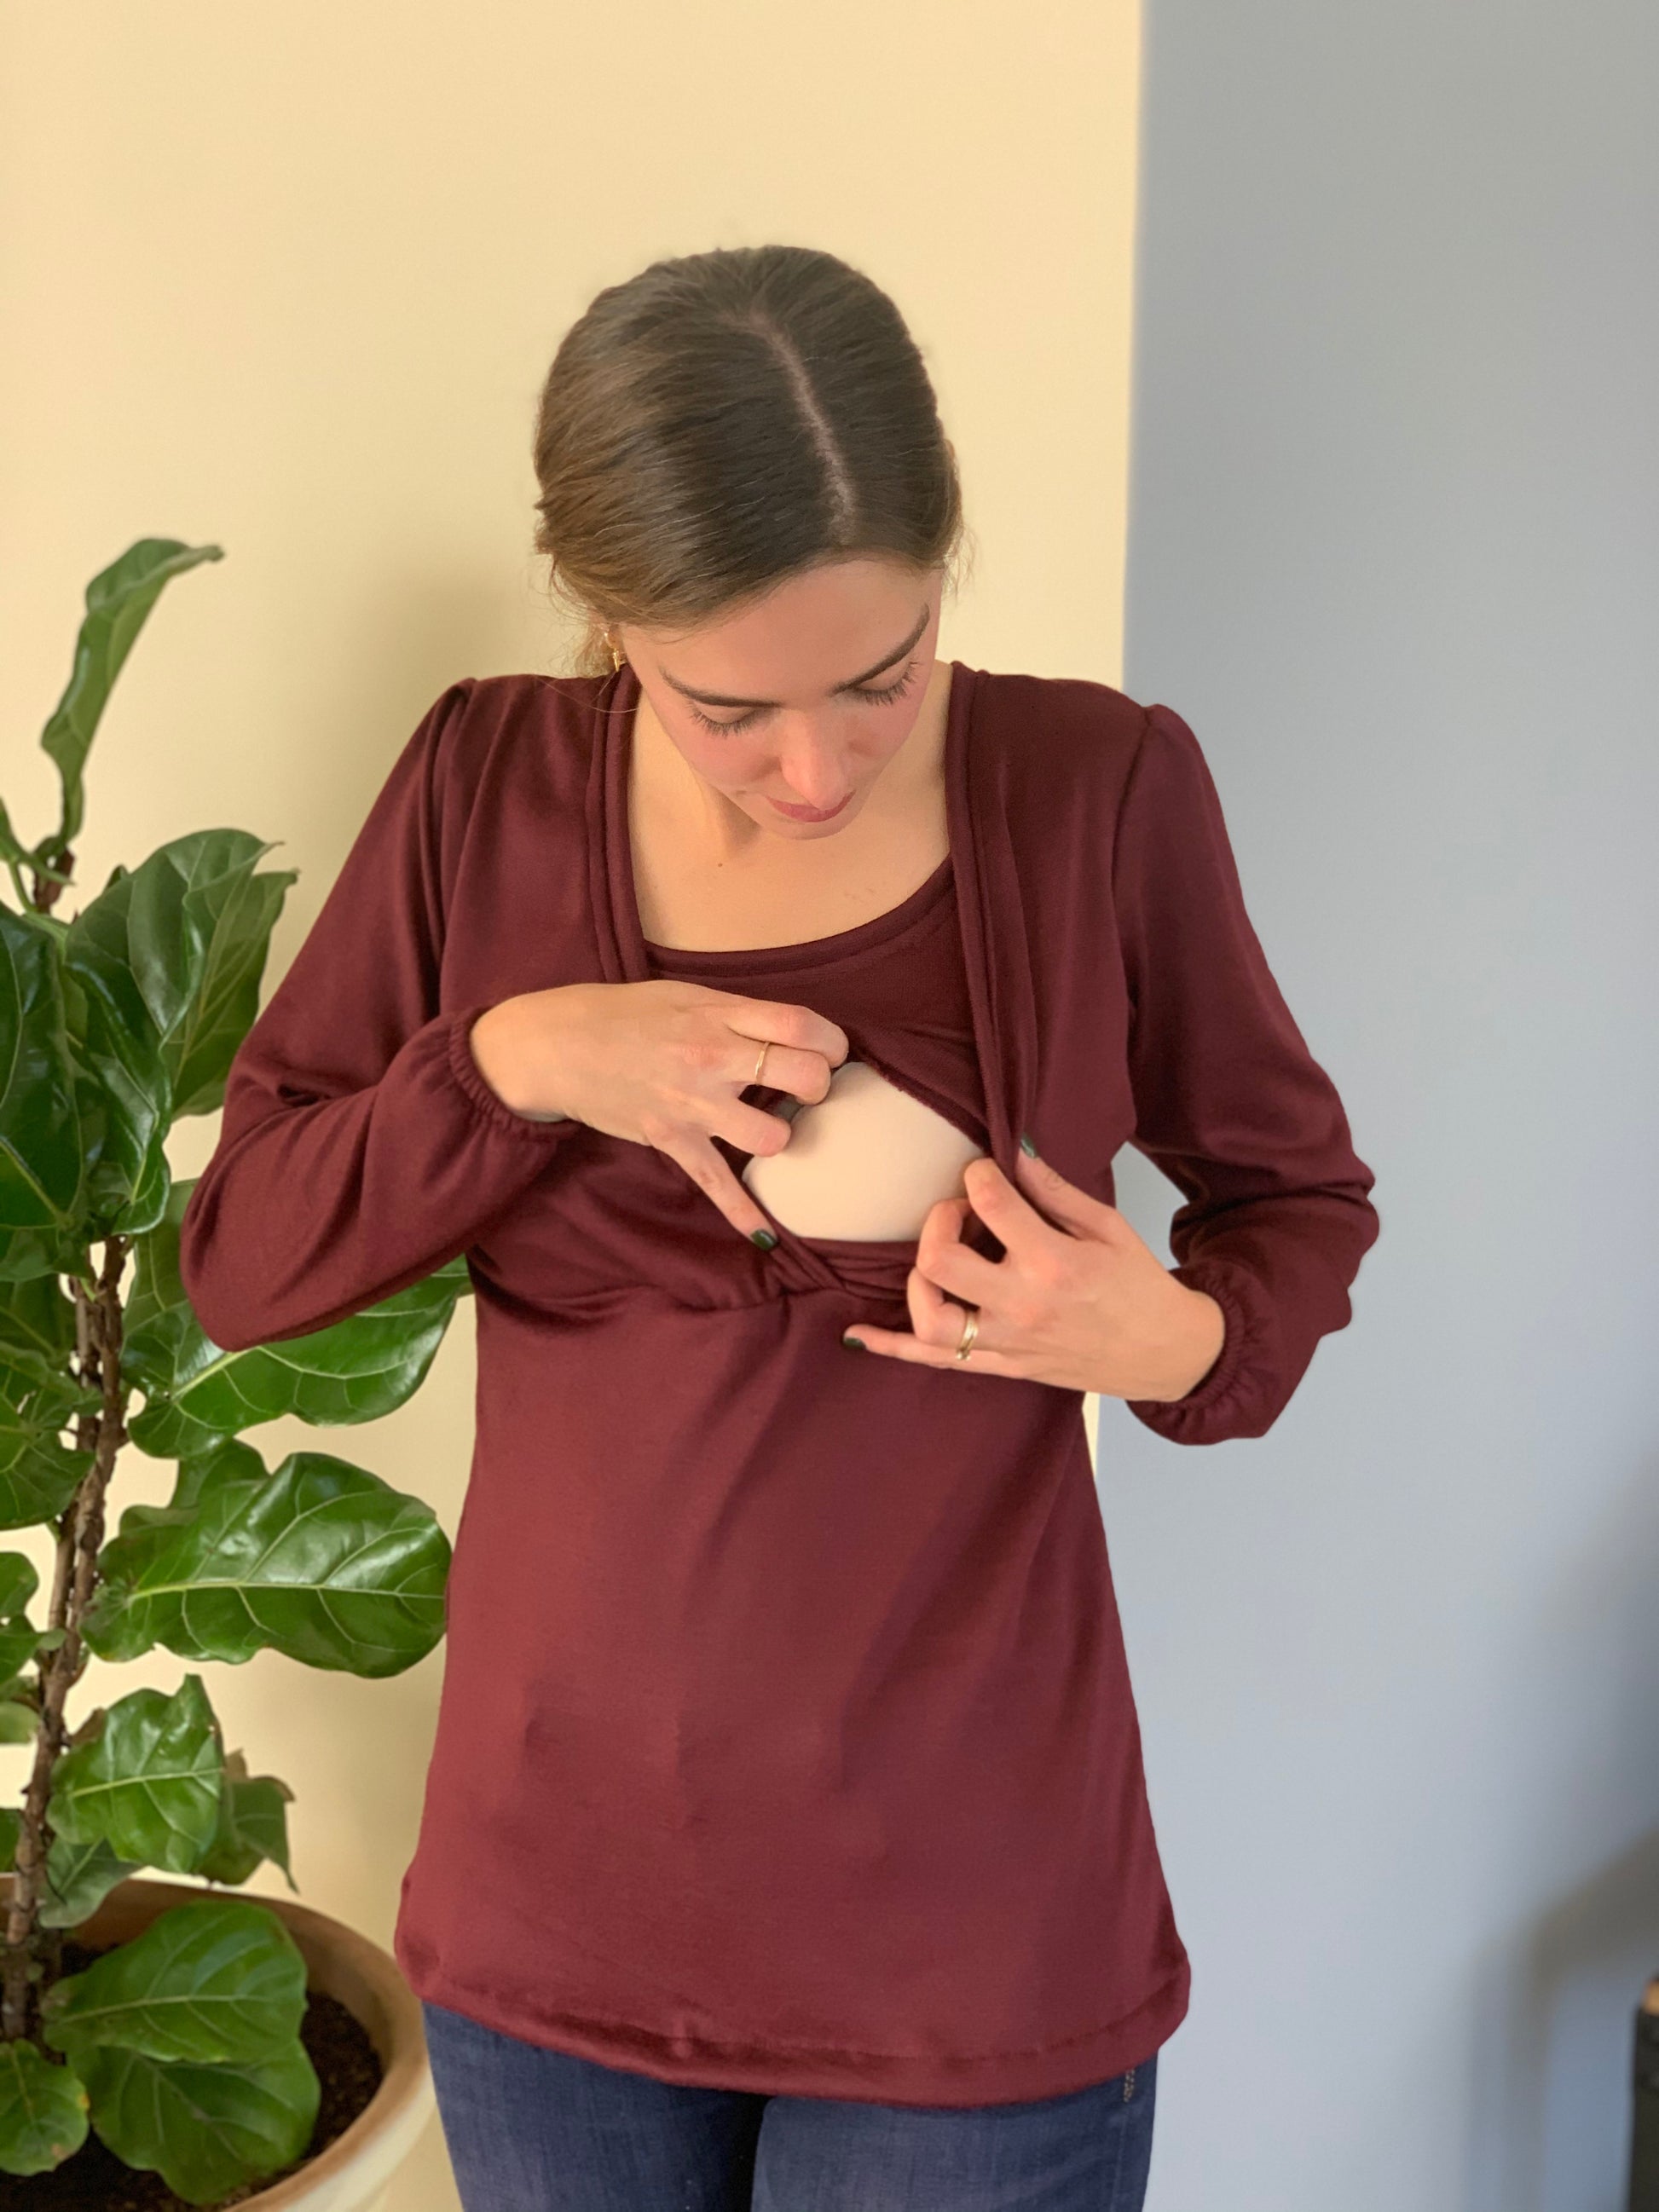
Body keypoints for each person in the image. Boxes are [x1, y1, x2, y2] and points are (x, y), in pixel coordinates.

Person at [178, 243, 1380, 2211]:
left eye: (880, 677)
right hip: (552, 1934)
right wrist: (521, 1055)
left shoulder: (1095, 788)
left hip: (968, 1944)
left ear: (942, 569)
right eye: (727, 705)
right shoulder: (484, 786)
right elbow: (247, 1256)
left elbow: (1296, 1199)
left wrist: (1169, 1335)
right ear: (603, 612)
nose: (814, 768)